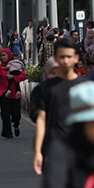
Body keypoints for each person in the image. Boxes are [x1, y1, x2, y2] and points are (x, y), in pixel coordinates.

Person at [31, 37, 81, 175]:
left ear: (76, 58)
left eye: (69, 57)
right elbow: (41, 119)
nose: (66, 61)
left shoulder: (86, 87)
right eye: (62, 57)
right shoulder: (44, 89)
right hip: (54, 149)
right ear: (56, 59)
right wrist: (37, 152)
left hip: (80, 151)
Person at [0, 48, 27, 138]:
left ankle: (16, 125)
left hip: (15, 94)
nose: (3, 57)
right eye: (1, 56)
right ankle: (7, 132)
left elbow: (23, 76)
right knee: (5, 114)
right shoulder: (0, 67)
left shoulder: (15, 65)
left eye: (4, 55)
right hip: (4, 93)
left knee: (16, 114)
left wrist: (13, 77)